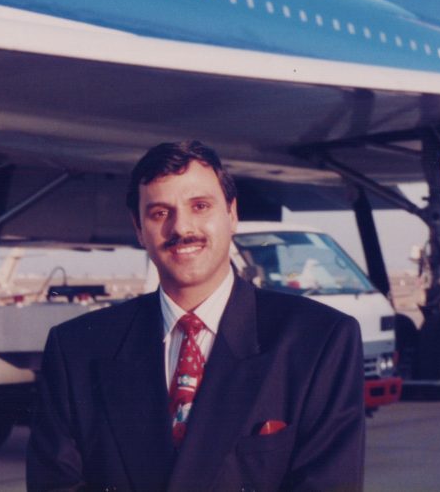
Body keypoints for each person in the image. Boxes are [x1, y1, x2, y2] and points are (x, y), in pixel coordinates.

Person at [27, 140, 365, 491]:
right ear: (138, 229)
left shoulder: (318, 340)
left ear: (232, 214)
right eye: (160, 213)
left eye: (200, 206)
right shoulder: (76, 349)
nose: (181, 228)